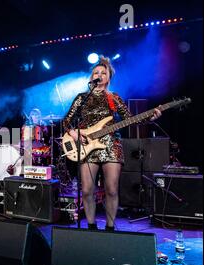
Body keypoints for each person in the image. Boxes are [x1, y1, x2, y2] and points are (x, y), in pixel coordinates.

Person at [62, 56, 161, 231]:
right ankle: (91, 227)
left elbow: (131, 120)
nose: (98, 75)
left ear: (108, 78)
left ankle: (109, 229)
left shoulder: (113, 98)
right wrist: (74, 133)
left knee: (112, 189)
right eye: (95, 73)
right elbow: (66, 121)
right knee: (86, 190)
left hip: (111, 145)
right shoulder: (81, 98)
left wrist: (148, 118)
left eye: (103, 73)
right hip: (87, 144)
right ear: (91, 78)